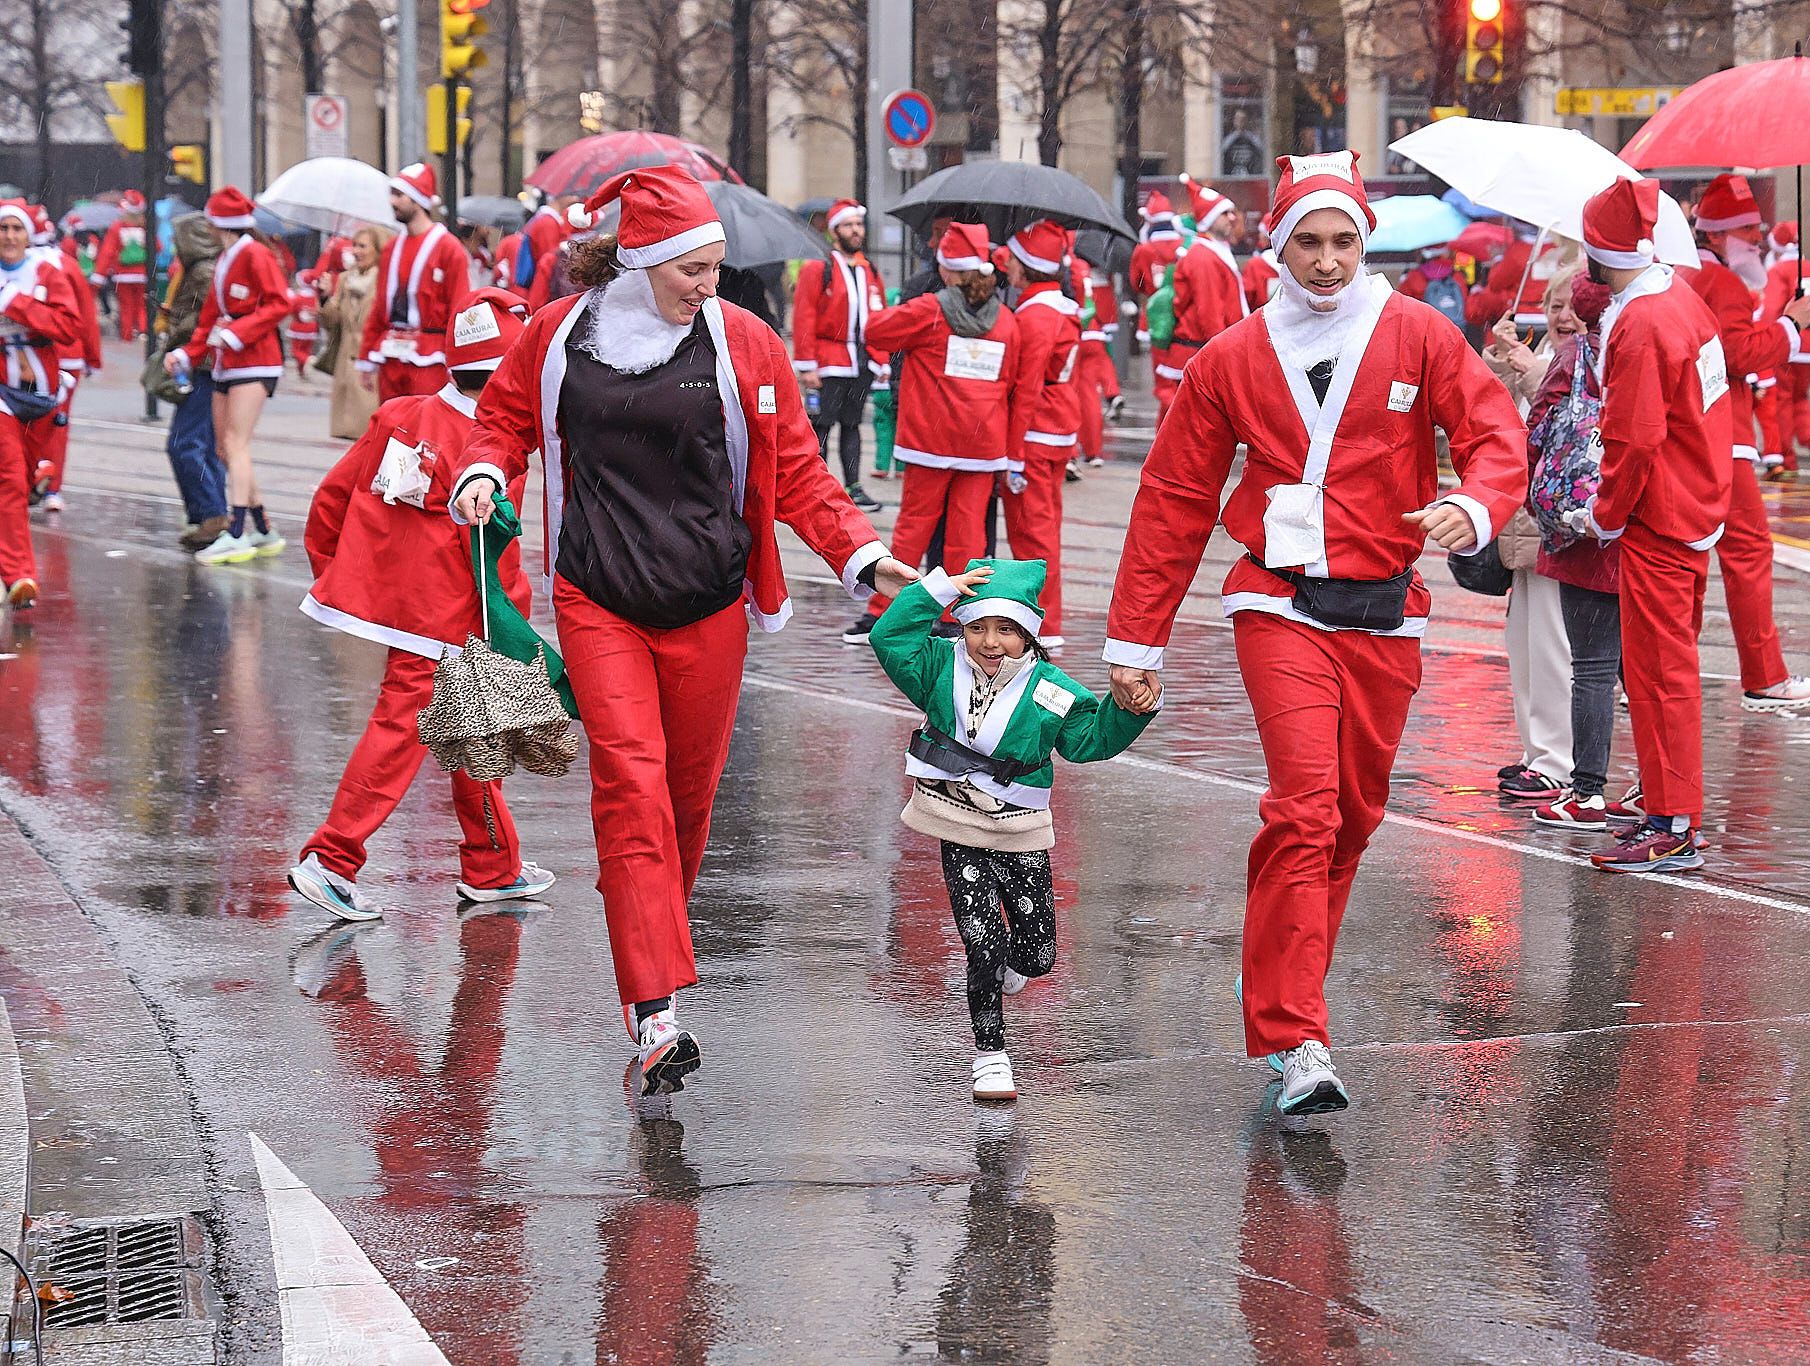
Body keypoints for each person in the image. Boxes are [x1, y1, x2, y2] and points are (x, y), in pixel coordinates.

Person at [450, 165, 917, 1099]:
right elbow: (501, 418)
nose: (710, 285)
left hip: (707, 602)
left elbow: (800, 473)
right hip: (599, 596)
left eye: (716, 269)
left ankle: (647, 916)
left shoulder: (745, 343)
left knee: (687, 808)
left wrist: (863, 557)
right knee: (631, 786)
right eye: (693, 270)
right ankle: (655, 1008)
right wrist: (485, 474)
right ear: (645, 259)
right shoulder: (558, 336)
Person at [1102, 152, 1526, 1115]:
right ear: (1277, 246)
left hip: (1386, 611)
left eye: (1343, 242)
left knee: (1353, 819)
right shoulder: (1230, 359)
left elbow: (1498, 433)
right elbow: (1173, 499)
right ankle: (1297, 1036)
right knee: (1306, 808)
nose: (1327, 261)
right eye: (1308, 242)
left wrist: (1479, 503)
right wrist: (1136, 644)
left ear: (1364, 243)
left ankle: (1287, 1001)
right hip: (1277, 603)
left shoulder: (1419, 333)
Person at [292, 287, 556, 920]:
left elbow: (333, 499)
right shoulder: (500, 446)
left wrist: (344, 581)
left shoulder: (401, 416)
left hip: (419, 613)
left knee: (473, 735)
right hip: (465, 616)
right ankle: (332, 858)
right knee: (408, 733)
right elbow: (495, 555)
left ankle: (494, 867)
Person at [870, 558, 1154, 1101]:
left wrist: (1131, 709)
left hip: (1022, 826)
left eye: (1005, 629)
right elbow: (889, 636)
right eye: (977, 626)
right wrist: (937, 590)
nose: (990, 641)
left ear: (1028, 633)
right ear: (962, 625)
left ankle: (1009, 970)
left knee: (1036, 955)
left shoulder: (1050, 687)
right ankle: (990, 1053)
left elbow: (1088, 741)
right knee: (981, 941)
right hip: (955, 818)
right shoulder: (935, 664)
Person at [1572, 176, 1730, 874]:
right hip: (1694, 504)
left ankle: (1671, 822)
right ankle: (1670, 810)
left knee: (1659, 673)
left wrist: (1603, 515)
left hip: (1659, 516)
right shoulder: (1679, 301)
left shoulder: (1639, 322)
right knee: (1668, 671)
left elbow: (1633, 439)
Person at [1678, 175, 1810, 714]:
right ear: (1718, 235)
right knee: (1747, 553)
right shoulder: (1718, 284)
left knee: (1686, 557)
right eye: (1749, 229)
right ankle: (1764, 677)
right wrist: (1789, 327)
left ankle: (1658, 674)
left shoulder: (1683, 274)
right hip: (1725, 435)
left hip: (1687, 434)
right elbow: (1736, 354)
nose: (1760, 238)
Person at [844, 222, 1026, 644]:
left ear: (946, 269)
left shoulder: (930, 309)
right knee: (969, 535)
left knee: (913, 528)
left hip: (931, 438)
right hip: (984, 442)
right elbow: (1013, 380)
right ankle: (958, 616)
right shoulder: (1007, 320)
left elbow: (875, 331)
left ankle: (887, 612)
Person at [1521, 270, 1629, 830]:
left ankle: (1585, 793)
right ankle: (1657, 790)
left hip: (1576, 529)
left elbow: (1537, 431)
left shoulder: (1574, 359)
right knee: (1635, 667)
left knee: (1588, 668)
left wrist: (1535, 494)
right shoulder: (1638, 352)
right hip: (1631, 526)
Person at [1482, 269, 1579, 802]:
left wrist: (1533, 372)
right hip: (1522, 530)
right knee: (1521, 645)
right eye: (1551, 304)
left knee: (1553, 649)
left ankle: (1556, 762)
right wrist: (1502, 358)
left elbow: (1570, 424)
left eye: (1568, 306)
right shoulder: (1539, 349)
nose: (1560, 316)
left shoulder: (1585, 359)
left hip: (1556, 532)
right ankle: (1536, 753)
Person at [164, 186, 291, 567]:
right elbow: (208, 320)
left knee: (235, 444)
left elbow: (280, 302)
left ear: (218, 223)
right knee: (225, 447)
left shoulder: (253, 254)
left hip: (254, 362)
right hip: (228, 361)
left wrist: (239, 332)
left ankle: (236, 533)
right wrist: (187, 354)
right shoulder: (227, 258)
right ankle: (263, 528)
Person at [997, 220, 1084, 650]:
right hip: (1058, 428)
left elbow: (1026, 387)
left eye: (1012, 259)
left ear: (1025, 266)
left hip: (1032, 435)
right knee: (1045, 530)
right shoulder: (1063, 307)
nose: (1006, 264)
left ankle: (1042, 624)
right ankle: (1048, 620)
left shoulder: (1034, 316)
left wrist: (1012, 454)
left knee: (1031, 536)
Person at [0, 198, 82, 608]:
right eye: (3, 229)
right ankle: (19, 575)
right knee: (9, 479)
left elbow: (69, 327)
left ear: (28, 235)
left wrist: (15, 303)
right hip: (2, 394)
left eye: (17, 229)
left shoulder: (46, 272)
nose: (9, 237)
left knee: (31, 479)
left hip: (40, 395)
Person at [792, 198, 887, 511]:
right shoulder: (819, 267)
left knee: (852, 424)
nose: (856, 230)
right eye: (848, 225)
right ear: (834, 231)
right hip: (828, 361)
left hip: (860, 362)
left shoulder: (868, 268)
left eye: (858, 224)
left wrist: (882, 359)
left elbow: (880, 314)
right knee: (821, 427)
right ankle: (814, 490)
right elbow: (804, 315)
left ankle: (854, 487)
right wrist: (807, 366)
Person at [357, 163, 470, 402]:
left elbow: (459, 309)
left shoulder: (449, 249)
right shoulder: (391, 248)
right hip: (391, 352)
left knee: (425, 429)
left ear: (418, 200)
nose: (392, 202)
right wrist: (366, 355)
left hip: (430, 355)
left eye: (399, 195)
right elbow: (380, 306)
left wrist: (458, 362)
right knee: (392, 427)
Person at [155, 211, 229, 550]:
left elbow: (207, 318)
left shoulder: (203, 271)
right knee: (204, 445)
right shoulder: (200, 269)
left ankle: (211, 513)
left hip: (201, 365)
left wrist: (179, 329)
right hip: (205, 364)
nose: (173, 245)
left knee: (184, 444)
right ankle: (209, 513)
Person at [26, 204, 98, 513]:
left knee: (24, 424)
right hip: (68, 357)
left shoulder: (19, 266)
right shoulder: (66, 265)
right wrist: (93, 357)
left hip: (27, 357)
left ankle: (29, 479)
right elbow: (85, 315)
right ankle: (52, 488)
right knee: (58, 422)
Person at [1164, 175, 1249, 419]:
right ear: (1209, 219)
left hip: (1203, 351)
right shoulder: (1203, 257)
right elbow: (1209, 312)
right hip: (1200, 353)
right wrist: (1222, 358)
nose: (1233, 218)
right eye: (1225, 214)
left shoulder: (1213, 252)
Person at [1758, 221, 1810, 476]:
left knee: (1782, 398)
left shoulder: (1778, 271)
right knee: (1799, 395)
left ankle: (1786, 458)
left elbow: (1772, 308)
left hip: (1792, 341)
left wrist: (1767, 339)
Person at [323, 225, 392, 440]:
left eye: (363, 246)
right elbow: (332, 323)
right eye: (354, 245)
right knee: (350, 439)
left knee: (372, 435)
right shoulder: (345, 279)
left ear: (378, 250)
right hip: (345, 367)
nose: (356, 251)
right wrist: (324, 298)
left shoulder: (386, 281)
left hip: (372, 368)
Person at [1128, 191, 1187, 428]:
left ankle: (1169, 429)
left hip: (1155, 318)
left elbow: (1137, 283)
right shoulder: (1185, 245)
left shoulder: (1144, 250)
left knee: (1163, 380)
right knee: (1180, 378)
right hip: (1181, 317)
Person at [1070, 254, 1122, 466]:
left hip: (1074, 332)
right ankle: (1094, 452)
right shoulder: (1091, 264)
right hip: (1094, 329)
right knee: (1090, 396)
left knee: (1066, 394)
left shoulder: (1066, 262)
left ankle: (1069, 453)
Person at [103, 190, 151, 342]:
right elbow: (158, 247)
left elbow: (108, 251)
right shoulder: (145, 226)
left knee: (126, 306)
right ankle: (143, 331)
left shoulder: (117, 227)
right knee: (142, 305)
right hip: (142, 273)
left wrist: (105, 270)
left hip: (122, 274)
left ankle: (127, 334)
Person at [286, 269, 321, 377]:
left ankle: (308, 360)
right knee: (306, 349)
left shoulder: (297, 298)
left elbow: (292, 310)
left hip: (298, 327)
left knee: (296, 351)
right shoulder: (315, 297)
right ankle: (301, 371)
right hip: (311, 328)